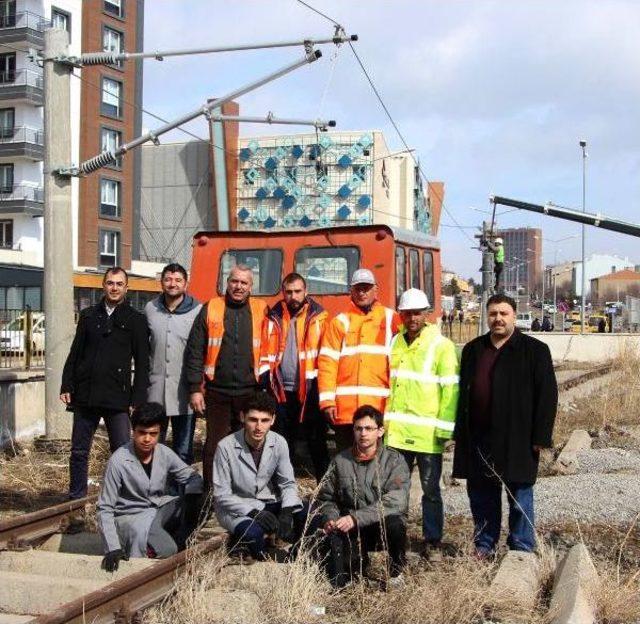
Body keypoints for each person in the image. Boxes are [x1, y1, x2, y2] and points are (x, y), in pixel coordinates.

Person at [453, 294, 558, 557]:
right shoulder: (473, 350)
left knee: (520, 492)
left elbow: (547, 396)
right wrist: (460, 433)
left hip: (518, 438)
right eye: (493, 314)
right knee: (481, 493)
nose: (498, 319)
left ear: (514, 315)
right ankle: (484, 543)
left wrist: (540, 437)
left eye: (504, 313)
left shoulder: (534, 351)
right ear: (486, 317)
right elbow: (462, 394)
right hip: (479, 436)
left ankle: (521, 546)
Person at [61, 267, 149, 500]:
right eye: (110, 283)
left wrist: (138, 398)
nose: (114, 288)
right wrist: (66, 384)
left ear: (126, 288)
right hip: (86, 394)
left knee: (121, 450)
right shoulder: (89, 316)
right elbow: (75, 352)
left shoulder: (136, 320)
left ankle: (124, 497)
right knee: (79, 451)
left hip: (117, 397)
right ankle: (76, 498)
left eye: (119, 284)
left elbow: (142, 364)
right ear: (103, 285)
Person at [384, 289, 459, 561]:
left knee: (431, 491)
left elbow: (451, 392)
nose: (412, 317)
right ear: (401, 314)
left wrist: (444, 430)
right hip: (398, 434)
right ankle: (396, 538)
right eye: (407, 313)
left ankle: (433, 540)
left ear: (426, 314)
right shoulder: (395, 343)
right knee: (396, 490)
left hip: (428, 435)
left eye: (417, 312)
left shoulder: (442, 346)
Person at [185, 264, 268, 488]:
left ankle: (245, 490)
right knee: (215, 445)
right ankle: (212, 494)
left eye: (244, 282)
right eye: (234, 281)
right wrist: (194, 388)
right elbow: (195, 350)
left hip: (249, 392)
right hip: (218, 392)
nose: (238, 286)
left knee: (248, 446)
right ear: (227, 282)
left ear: (251, 286)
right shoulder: (211, 307)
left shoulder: (262, 310)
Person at [96, 403, 204, 571]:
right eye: (142, 433)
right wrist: (112, 548)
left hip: (157, 508)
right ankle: (149, 550)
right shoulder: (118, 461)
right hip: (131, 517)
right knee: (168, 550)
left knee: (195, 500)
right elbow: (105, 507)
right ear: (133, 431)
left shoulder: (163, 452)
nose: (147, 439)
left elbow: (192, 477)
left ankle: (177, 540)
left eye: (153, 434)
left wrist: (192, 496)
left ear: (159, 433)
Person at [316, 405, 410, 588]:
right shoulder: (340, 461)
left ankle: (396, 574)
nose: (363, 434)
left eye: (369, 428)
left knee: (396, 525)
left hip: (380, 525)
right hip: (352, 528)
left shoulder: (394, 461)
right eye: (358, 428)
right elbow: (326, 498)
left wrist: (356, 518)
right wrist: (331, 518)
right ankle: (359, 564)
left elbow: (397, 500)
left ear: (380, 431)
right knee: (344, 576)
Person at [213, 392, 306, 560]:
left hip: (268, 501)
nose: (259, 427)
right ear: (242, 417)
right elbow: (222, 495)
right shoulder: (225, 447)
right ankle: (258, 549)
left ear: (273, 420)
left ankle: (298, 553)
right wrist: (253, 513)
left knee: (306, 513)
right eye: (253, 419)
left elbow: (288, 483)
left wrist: (286, 511)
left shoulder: (279, 442)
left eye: (265, 420)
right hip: (238, 507)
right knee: (253, 535)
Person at [318, 268, 400, 451]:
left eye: (366, 288)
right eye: (358, 288)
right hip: (347, 411)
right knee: (347, 461)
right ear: (351, 291)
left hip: (379, 409)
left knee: (377, 463)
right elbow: (327, 363)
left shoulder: (391, 319)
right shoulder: (339, 321)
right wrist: (328, 401)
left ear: (375, 290)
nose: (362, 292)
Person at [259, 272, 329, 482]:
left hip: (310, 390)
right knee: (281, 443)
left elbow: (326, 355)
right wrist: (265, 383)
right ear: (283, 293)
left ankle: (324, 491)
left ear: (306, 291)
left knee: (317, 443)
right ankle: (282, 489)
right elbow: (264, 351)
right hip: (280, 391)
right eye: (289, 292)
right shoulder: (273, 317)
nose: (293, 296)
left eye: (298, 291)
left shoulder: (320, 317)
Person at [145, 263, 202, 465]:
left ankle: (182, 492)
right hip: (156, 390)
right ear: (161, 282)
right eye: (168, 279)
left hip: (184, 391)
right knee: (152, 445)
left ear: (186, 284)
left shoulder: (198, 310)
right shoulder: (150, 309)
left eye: (178, 280)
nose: (172, 284)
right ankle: (153, 488)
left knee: (183, 449)